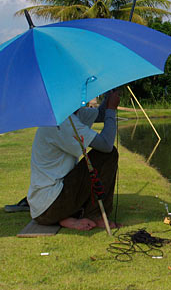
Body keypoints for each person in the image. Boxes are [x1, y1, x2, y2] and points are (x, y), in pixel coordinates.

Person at [27, 88, 121, 231]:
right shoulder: (64, 121)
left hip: (46, 207)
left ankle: (66, 217)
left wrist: (110, 94)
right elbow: (106, 145)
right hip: (50, 206)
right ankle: (95, 215)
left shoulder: (71, 114)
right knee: (108, 155)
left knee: (101, 156)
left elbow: (101, 114)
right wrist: (112, 109)